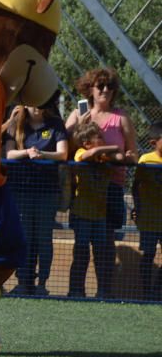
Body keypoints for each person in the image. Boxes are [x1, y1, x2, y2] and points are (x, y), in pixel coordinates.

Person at [64, 67, 137, 248]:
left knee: (106, 245)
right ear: (90, 89)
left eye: (110, 86)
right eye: (101, 86)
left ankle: (105, 277)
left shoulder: (121, 117)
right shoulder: (78, 114)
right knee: (81, 247)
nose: (105, 90)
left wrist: (125, 158)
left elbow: (133, 154)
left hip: (112, 186)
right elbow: (65, 150)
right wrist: (78, 127)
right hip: (83, 188)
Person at [2, 104, 68, 295]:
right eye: (34, 103)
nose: (38, 107)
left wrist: (42, 155)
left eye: (42, 103)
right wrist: (26, 153)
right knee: (24, 237)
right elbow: (9, 153)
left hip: (47, 192)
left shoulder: (55, 124)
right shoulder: (17, 124)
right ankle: (23, 281)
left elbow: (62, 153)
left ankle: (42, 283)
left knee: (43, 238)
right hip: (21, 191)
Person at [68, 121, 132, 298]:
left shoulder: (105, 158)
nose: (103, 140)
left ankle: (102, 291)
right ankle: (75, 291)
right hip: (82, 214)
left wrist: (116, 152)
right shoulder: (81, 153)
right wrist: (112, 147)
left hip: (100, 216)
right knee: (81, 253)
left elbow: (120, 158)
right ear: (87, 142)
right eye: (99, 137)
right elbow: (90, 154)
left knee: (101, 253)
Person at [133, 122, 162, 300]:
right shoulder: (146, 160)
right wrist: (138, 208)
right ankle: (146, 293)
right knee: (149, 253)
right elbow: (136, 187)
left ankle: (158, 288)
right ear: (154, 142)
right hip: (149, 218)